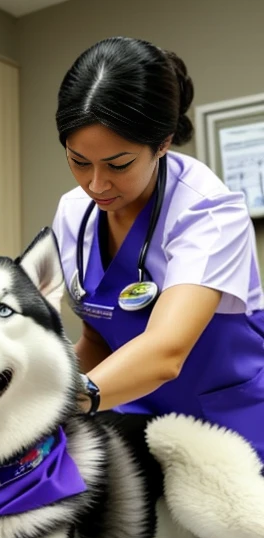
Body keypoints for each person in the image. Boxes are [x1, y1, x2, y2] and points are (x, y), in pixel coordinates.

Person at [52, 36, 264, 463]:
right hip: (137, 418)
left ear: (163, 143)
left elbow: (165, 351)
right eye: (78, 160)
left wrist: (66, 401)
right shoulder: (74, 212)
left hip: (230, 426)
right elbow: (98, 335)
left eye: (119, 164)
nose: (95, 185)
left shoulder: (206, 210)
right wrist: (45, 385)